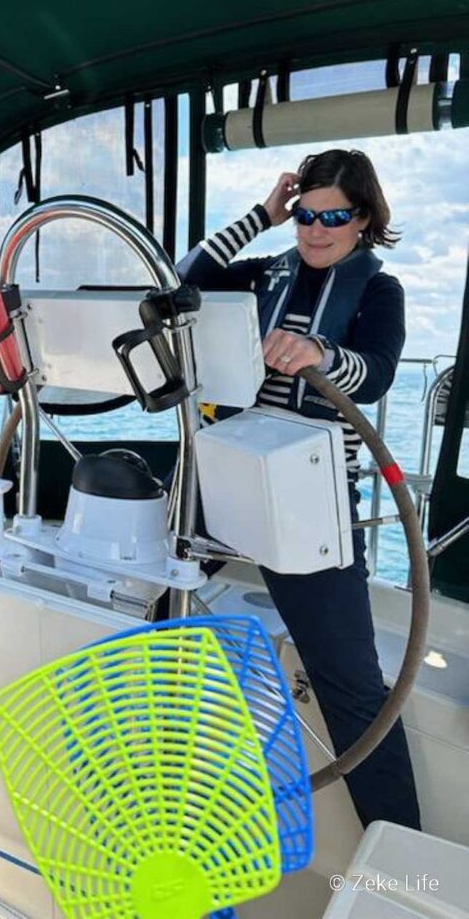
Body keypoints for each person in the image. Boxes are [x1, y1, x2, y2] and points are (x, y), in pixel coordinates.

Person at [177, 148, 421, 830]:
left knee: (349, 681)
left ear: (363, 217)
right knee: (151, 609)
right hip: (224, 475)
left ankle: (397, 852)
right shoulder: (264, 275)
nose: (315, 232)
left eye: (333, 217)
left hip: (309, 498)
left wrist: (320, 355)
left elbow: (374, 375)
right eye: (305, 217)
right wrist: (261, 214)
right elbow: (183, 283)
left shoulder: (379, 291)